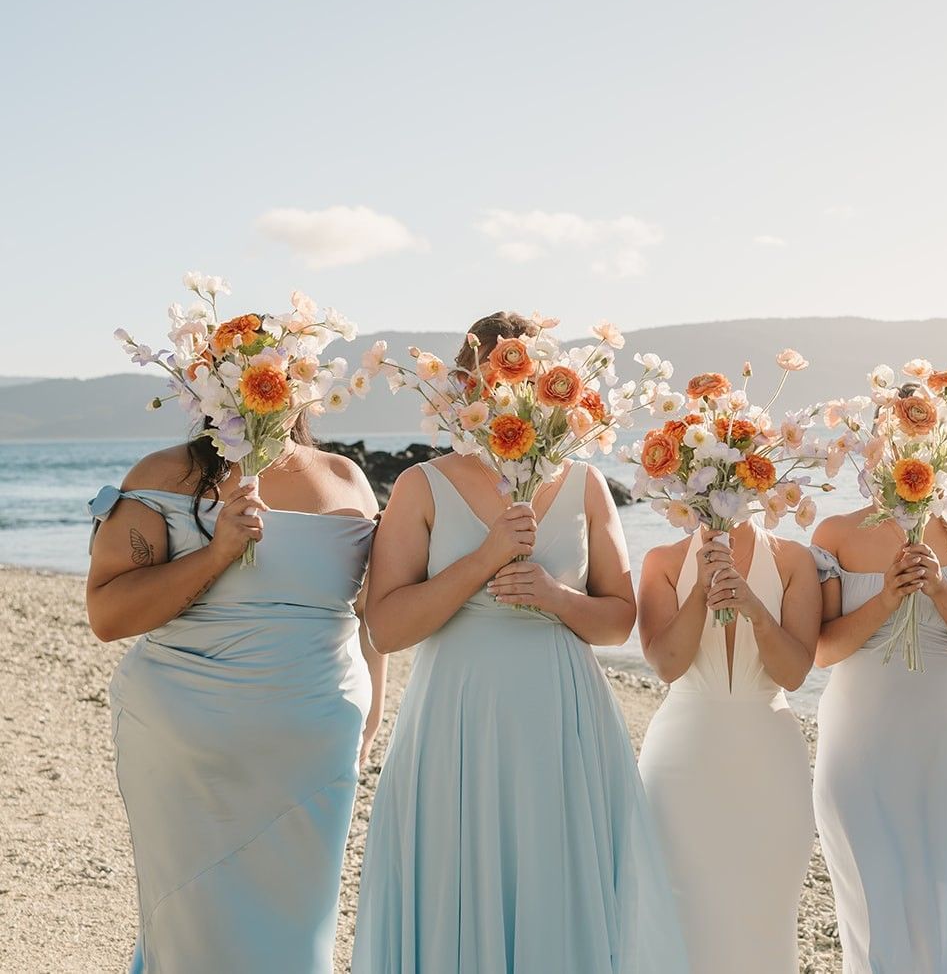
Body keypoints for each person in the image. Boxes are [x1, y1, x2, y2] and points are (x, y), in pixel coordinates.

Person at [351, 312, 688, 974]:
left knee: (556, 887)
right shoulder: (422, 485)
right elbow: (385, 627)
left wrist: (554, 597)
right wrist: (484, 559)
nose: (507, 392)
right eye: (494, 376)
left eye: (524, 374)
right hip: (458, 723)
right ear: (464, 385)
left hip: (564, 727)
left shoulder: (587, 484)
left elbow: (618, 619)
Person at [85, 417, 381, 972]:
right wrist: (216, 553)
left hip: (315, 747)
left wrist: (372, 714)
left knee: (299, 925)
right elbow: (107, 615)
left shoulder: (345, 477)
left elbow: (368, 613)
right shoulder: (161, 476)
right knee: (191, 927)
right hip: (186, 746)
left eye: (287, 366)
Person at [809, 502, 947, 973]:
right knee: (872, 902)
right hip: (858, 740)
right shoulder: (835, 533)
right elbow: (823, 651)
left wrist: (940, 588)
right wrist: (886, 597)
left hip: (944, 741)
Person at [635, 521, 820, 973]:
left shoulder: (794, 561)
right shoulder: (662, 561)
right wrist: (700, 590)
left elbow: (793, 674)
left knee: (765, 913)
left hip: (769, 759)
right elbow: (668, 665)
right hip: (683, 761)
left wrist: (756, 609)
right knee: (680, 911)